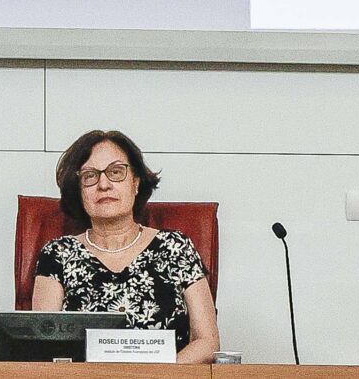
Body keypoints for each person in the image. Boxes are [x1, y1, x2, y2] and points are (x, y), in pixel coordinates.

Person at [29, 129, 218, 362]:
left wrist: (158, 377)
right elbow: (43, 349)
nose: (104, 184)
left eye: (116, 172)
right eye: (90, 176)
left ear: (136, 183)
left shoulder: (176, 247)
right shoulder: (57, 254)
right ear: (79, 191)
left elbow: (207, 342)